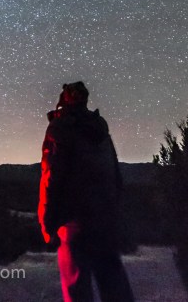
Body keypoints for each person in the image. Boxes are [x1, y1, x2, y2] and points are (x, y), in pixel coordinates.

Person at [38, 82, 135, 302]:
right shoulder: (100, 130)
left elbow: (51, 177)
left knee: (77, 290)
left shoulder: (59, 129)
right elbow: (115, 174)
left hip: (74, 223)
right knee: (115, 285)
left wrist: (46, 223)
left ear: (65, 100)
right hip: (105, 220)